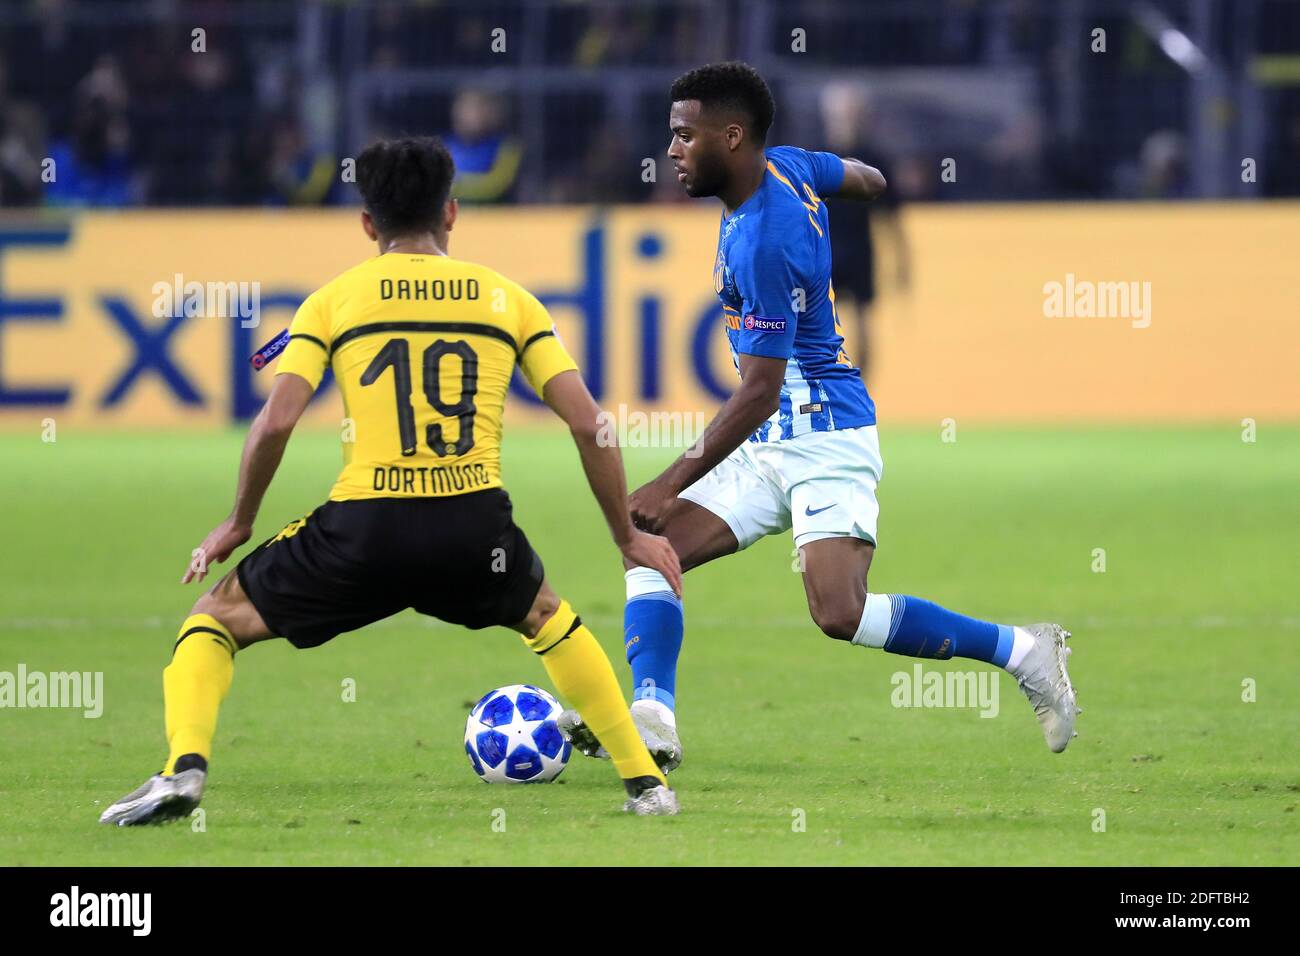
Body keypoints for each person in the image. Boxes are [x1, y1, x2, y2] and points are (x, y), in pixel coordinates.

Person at [100, 136, 683, 825]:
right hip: (473, 527)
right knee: (549, 618)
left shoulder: (333, 302)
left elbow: (276, 425)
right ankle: (646, 785)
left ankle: (183, 773)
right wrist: (625, 536)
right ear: (453, 213)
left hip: (363, 529)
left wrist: (239, 521)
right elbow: (592, 427)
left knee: (214, 620)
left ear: (368, 224)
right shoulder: (510, 301)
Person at [560, 63, 1078, 772]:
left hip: (825, 433)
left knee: (839, 613)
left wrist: (668, 480)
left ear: (731, 137)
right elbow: (868, 177)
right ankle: (652, 713)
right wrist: (850, 188)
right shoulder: (791, 167)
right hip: (770, 441)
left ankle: (1024, 651)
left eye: (684, 135)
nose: (671, 149)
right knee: (651, 547)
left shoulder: (764, 240)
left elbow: (758, 391)